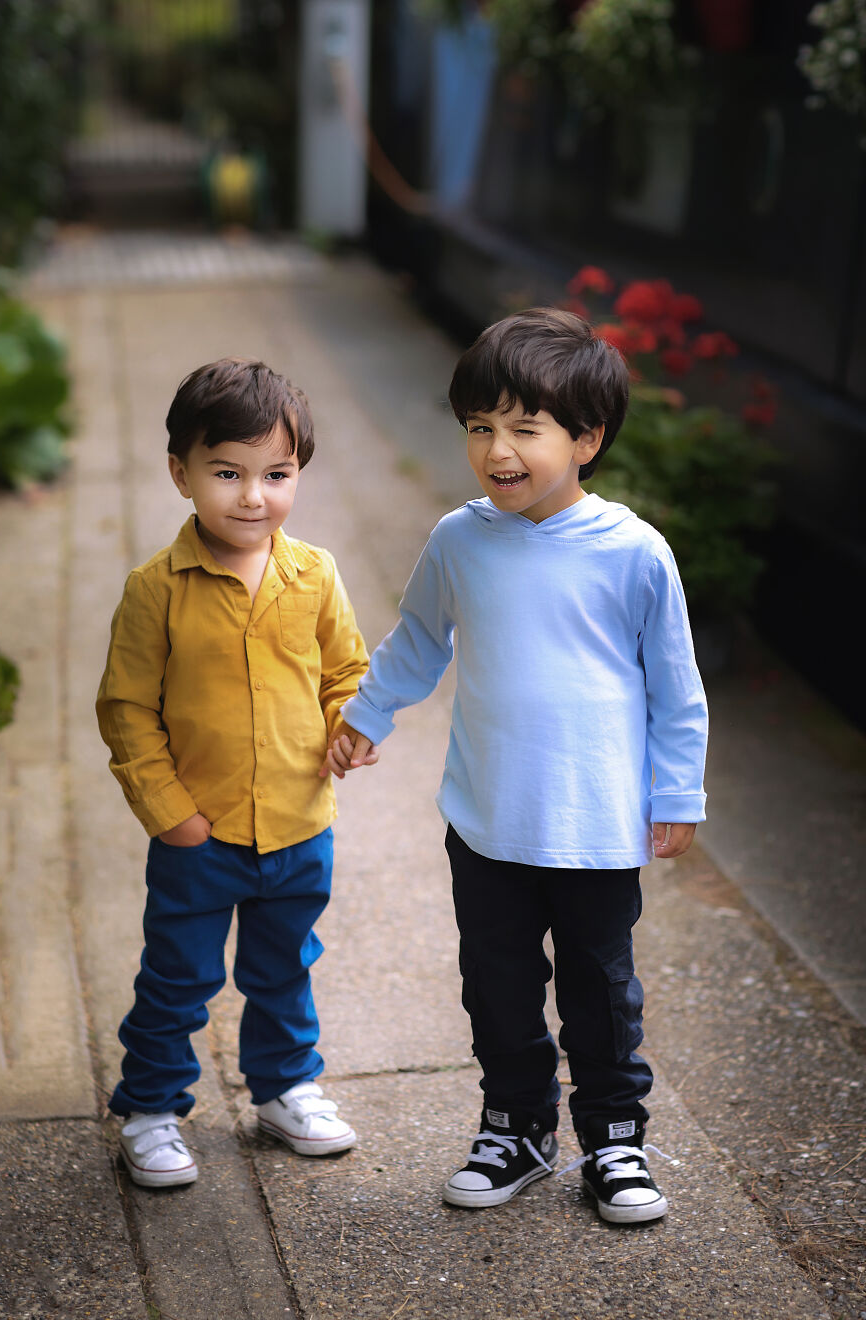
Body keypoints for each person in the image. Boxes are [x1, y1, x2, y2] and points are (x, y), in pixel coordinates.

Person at [322, 309, 708, 1225]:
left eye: (523, 429)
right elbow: (418, 639)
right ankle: (516, 1127)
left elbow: (676, 687)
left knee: (601, 993)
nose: (497, 449)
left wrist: (677, 793)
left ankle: (614, 1138)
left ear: (586, 439)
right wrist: (366, 714)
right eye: (478, 427)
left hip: (597, 826)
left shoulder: (634, 554)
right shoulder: (460, 540)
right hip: (488, 819)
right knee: (495, 985)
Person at [96, 357, 374, 1188]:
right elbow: (125, 708)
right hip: (199, 833)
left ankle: (284, 1088)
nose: (253, 496)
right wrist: (167, 810)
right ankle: (149, 1106)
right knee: (178, 975)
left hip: (298, 824)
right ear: (181, 473)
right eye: (228, 473)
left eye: (276, 474)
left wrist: (349, 727)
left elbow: (345, 673)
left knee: (283, 967)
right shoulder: (156, 590)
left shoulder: (314, 574)